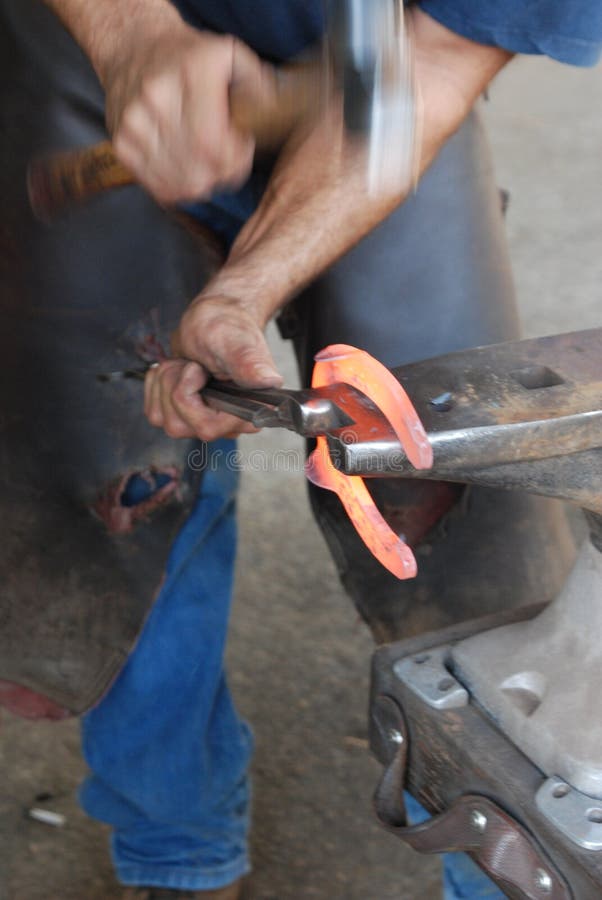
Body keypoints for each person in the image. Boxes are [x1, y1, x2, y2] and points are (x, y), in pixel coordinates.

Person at [0, 0, 600, 898]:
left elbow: (425, 63)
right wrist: (130, 36)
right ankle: (176, 846)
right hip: (84, 42)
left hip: (390, 57)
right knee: (120, 482)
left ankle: (507, 864)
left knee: (461, 506)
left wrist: (242, 291)